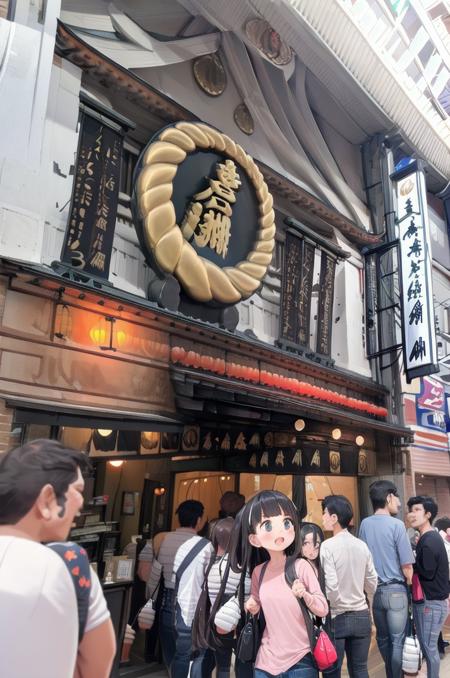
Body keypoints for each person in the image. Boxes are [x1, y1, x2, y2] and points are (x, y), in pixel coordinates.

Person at [0, 439, 115, 678]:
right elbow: (97, 667)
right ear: (47, 499)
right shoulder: (69, 563)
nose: (82, 503)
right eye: (78, 491)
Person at [227, 490, 328, 678]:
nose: (280, 530)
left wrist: (305, 595)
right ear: (254, 539)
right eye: (267, 525)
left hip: (301, 659)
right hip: (266, 661)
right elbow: (256, 606)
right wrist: (251, 606)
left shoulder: (301, 566)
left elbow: (323, 609)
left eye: (286, 522)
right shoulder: (259, 571)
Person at [144, 499, 210, 674]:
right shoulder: (203, 545)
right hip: (190, 605)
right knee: (187, 655)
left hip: (167, 603)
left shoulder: (164, 540)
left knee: (171, 655)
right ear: (198, 520)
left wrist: (149, 598)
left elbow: (155, 575)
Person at [359, 480, 414, 678]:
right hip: (397, 591)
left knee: (382, 639)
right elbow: (407, 567)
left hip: (375, 593)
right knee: (397, 639)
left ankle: (391, 674)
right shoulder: (397, 525)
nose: (398, 502)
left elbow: (363, 560)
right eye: (396, 497)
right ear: (389, 497)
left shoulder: (364, 524)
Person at [320, 495, 378, 678]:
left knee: (333, 671)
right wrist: (366, 601)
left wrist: (336, 604)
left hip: (338, 617)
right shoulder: (362, 545)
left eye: (324, 513)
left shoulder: (327, 546)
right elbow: (372, 582)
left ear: (334, 518)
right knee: (360, 669)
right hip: (362, 615)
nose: (322, 517)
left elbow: (331, 587)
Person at [192, 517, 242, 678]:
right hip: (232, 625)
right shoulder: (236, 566)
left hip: (212, 621)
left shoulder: (210, 564)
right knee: (226, 666)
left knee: (217, 662)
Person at [407, 495, 450, 678]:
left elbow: (428, 571)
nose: (412, 514)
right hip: (433, 603)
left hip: (430, 603)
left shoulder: (429, 540)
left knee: (429, 647)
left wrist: (410, 566)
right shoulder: (428, 537)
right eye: (411, 510)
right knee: (428, 646)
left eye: (417, 510)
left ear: (428, 514)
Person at [434, 517, 450, 657]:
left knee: (440, 615)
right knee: (440, 615)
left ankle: (440, 645)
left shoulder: (443, 542)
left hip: (442, 585)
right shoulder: (443, 544)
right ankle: (439, 647)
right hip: (444, 585)